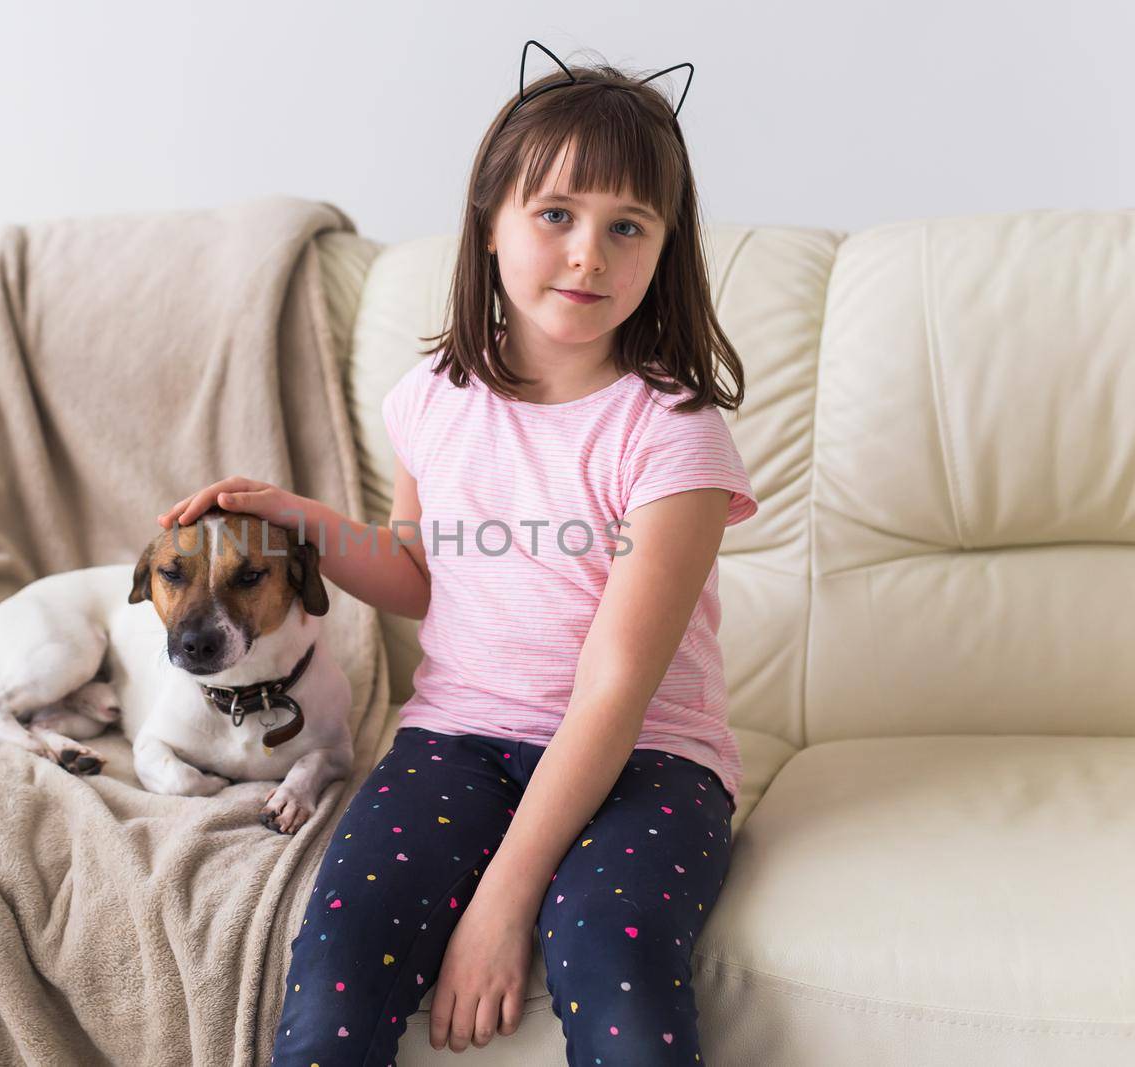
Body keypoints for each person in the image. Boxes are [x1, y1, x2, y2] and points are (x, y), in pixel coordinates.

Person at [157, 42, 758, 1067]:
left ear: (665, 249)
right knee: (336, 961)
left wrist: (501, 899)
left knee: (610, 962)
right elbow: (413, 570)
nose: (588, 256)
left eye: (627, 227)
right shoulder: (433, 397)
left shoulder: (673, 433)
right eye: (555, 214)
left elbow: (613, 691)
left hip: (647, 758)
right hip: (457, 740)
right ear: (490, 223)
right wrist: (298, 516)